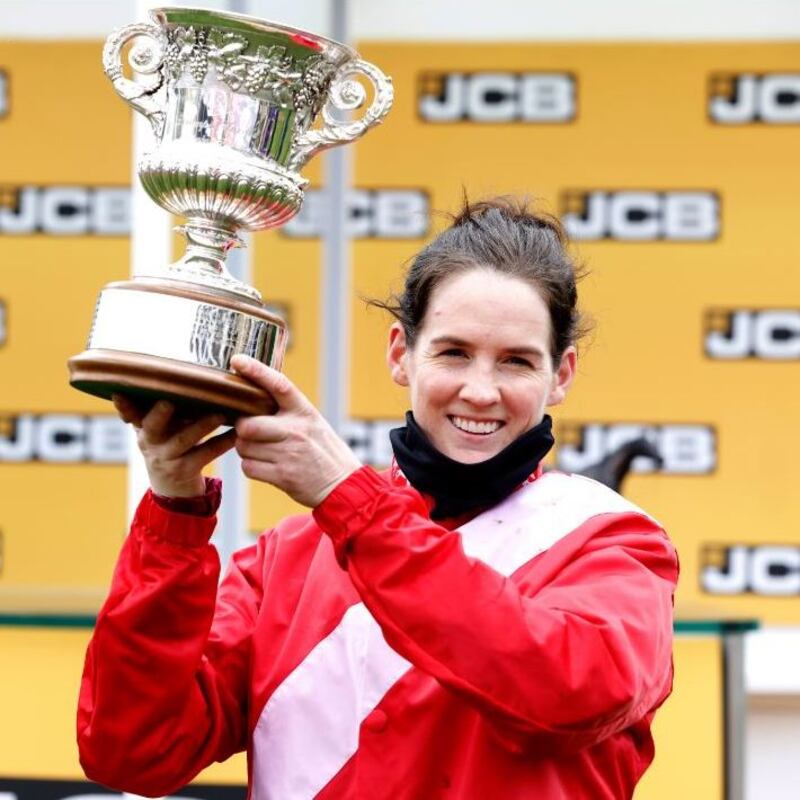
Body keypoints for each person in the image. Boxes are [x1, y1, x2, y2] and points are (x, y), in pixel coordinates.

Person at [77, 197, 678, 800]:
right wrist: (173, 514)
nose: (480, 389)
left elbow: (568, 695)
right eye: (453, 352)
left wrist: (349, 501)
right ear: (400, 354)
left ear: (561, 375)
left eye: (517, 362)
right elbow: (132, 752)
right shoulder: (288, 559)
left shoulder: (614, 543)